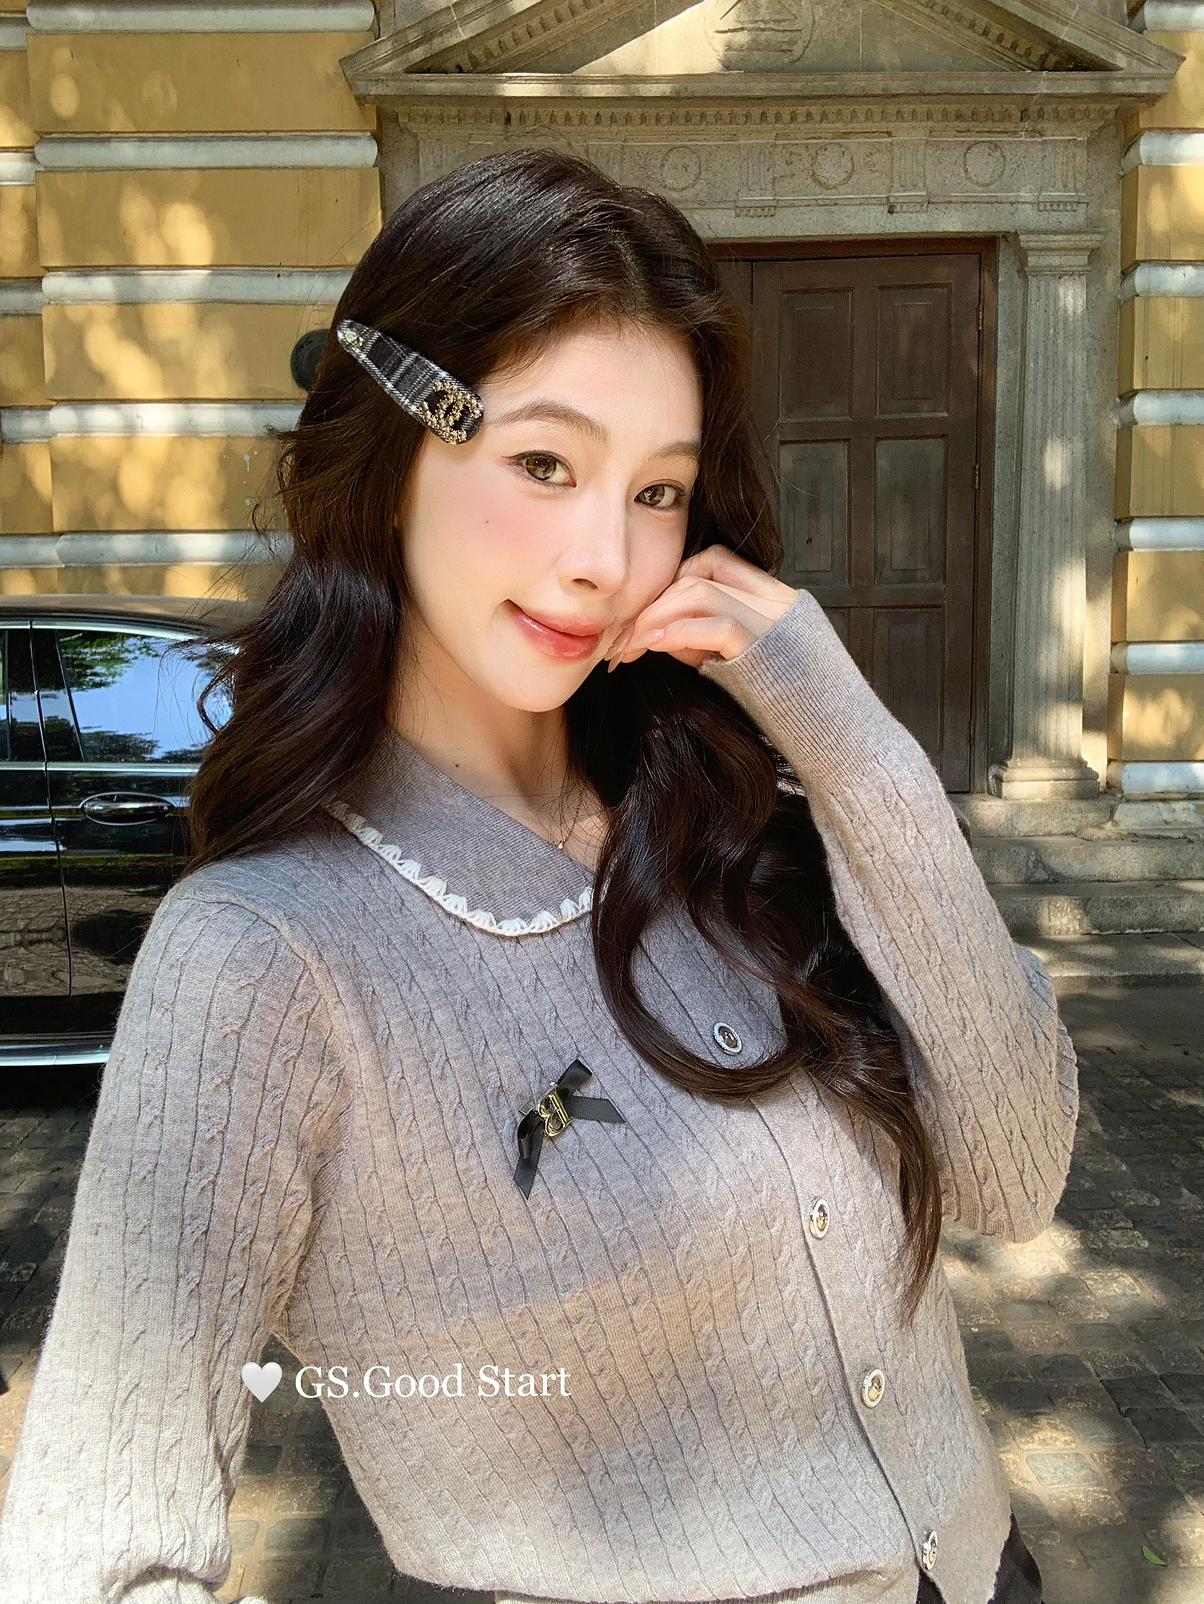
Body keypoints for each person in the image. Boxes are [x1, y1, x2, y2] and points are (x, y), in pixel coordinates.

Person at [0, 146, 1075, 1604]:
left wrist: (857, 751)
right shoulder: (263, 960)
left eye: (658, 491)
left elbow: (1012, 1175)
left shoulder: (721, 822)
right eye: (545, 464)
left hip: (989, 1565)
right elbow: (92, 1548)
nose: (601, 558)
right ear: (391, 455)